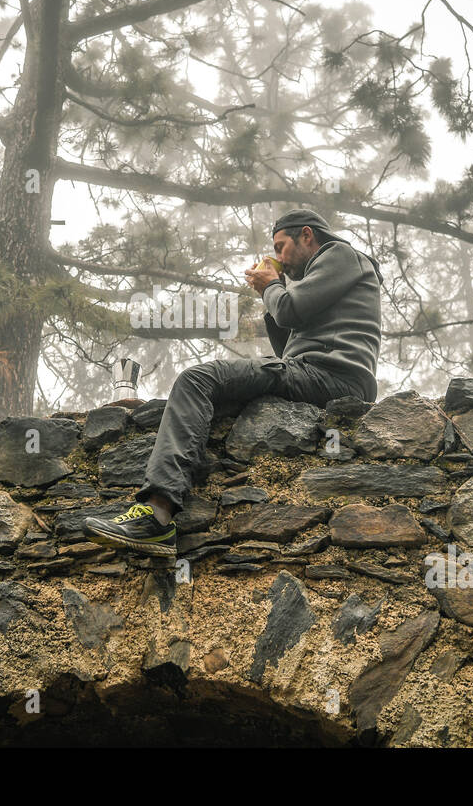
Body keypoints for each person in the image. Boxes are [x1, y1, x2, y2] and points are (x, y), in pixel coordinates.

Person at [83, 208, 383, 557]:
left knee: (199, 379)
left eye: (281, 245)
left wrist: (272, 286)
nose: (279, 255)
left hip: (333, 377)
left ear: (306, 235)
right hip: (313, 373)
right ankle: (162, 511)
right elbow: (287, 345)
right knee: (208, 404)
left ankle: (157, 515)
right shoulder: (323, 280)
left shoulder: (341, 255)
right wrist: (276, 289)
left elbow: (289, 314)